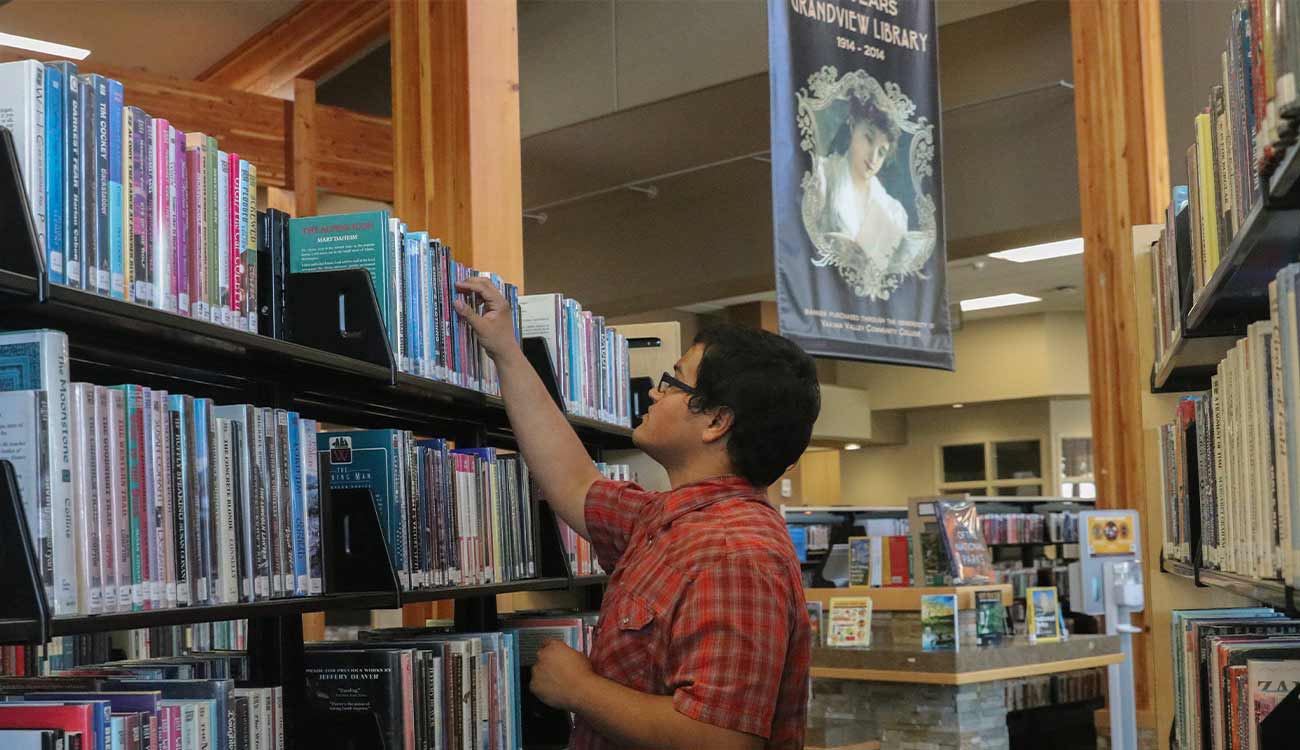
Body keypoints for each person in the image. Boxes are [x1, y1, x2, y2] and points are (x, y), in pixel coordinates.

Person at [454, 276, 821, 750]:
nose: (653, 392)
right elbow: (573, 481)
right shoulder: (667, 520)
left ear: (716, 421)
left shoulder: (734, 554)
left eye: (671, 381)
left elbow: (719, 740)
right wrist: (506, 353)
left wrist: (578, 689)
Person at [808, 92, 909, 273]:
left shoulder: (891, 210)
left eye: (881, 152)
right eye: (869, 139)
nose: (873, 157)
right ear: (853, 127)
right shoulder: (823, 175)